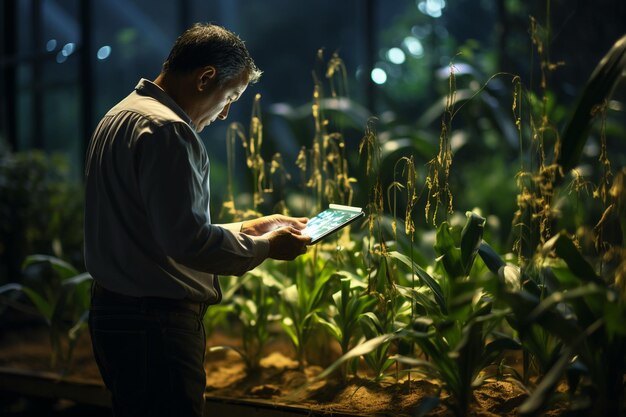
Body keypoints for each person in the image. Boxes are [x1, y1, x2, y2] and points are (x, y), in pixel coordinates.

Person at [84, 23, 311, 417]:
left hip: (115, 316)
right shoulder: (170, 131)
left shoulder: (119, 116)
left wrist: (247, 229)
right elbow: (186, 242)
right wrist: (266, 247)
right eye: (231, 97)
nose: (225, 113)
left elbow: (155, 231)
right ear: (206, 78)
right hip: (155, 327)